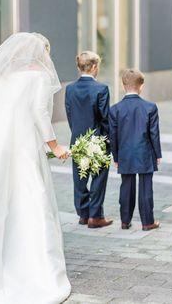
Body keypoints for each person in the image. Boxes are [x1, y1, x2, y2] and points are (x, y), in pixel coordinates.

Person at [0, 32, 71, 304]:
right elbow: (39, 113)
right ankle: (27, 264)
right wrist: (55, 146)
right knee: (28, 197)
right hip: (21, 145)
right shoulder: (40, 77)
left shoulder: (5, 77)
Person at [109, 69, 162, 231]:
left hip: (125, 153)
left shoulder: (115, 109)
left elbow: (113, 136)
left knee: (126, 186)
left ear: (123, 85)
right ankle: (147, 222)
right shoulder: (150, 107)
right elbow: (154, 134)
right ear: (141, 86)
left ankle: (125, 221)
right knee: (146, 187)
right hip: (145, 153)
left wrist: (116, 157)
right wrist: (157, 154)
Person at [65, 51, 113, 229]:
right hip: (98, 140)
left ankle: (83, 214)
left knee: (79, 178)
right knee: (99, 177)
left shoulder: (70, 89)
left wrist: (77, 134)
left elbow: (70, 115)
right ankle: (95, 215)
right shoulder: (101, 89)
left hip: (77, 139)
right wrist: (109, 141)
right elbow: (105, 118)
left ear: (79, 67)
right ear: (94, 67)